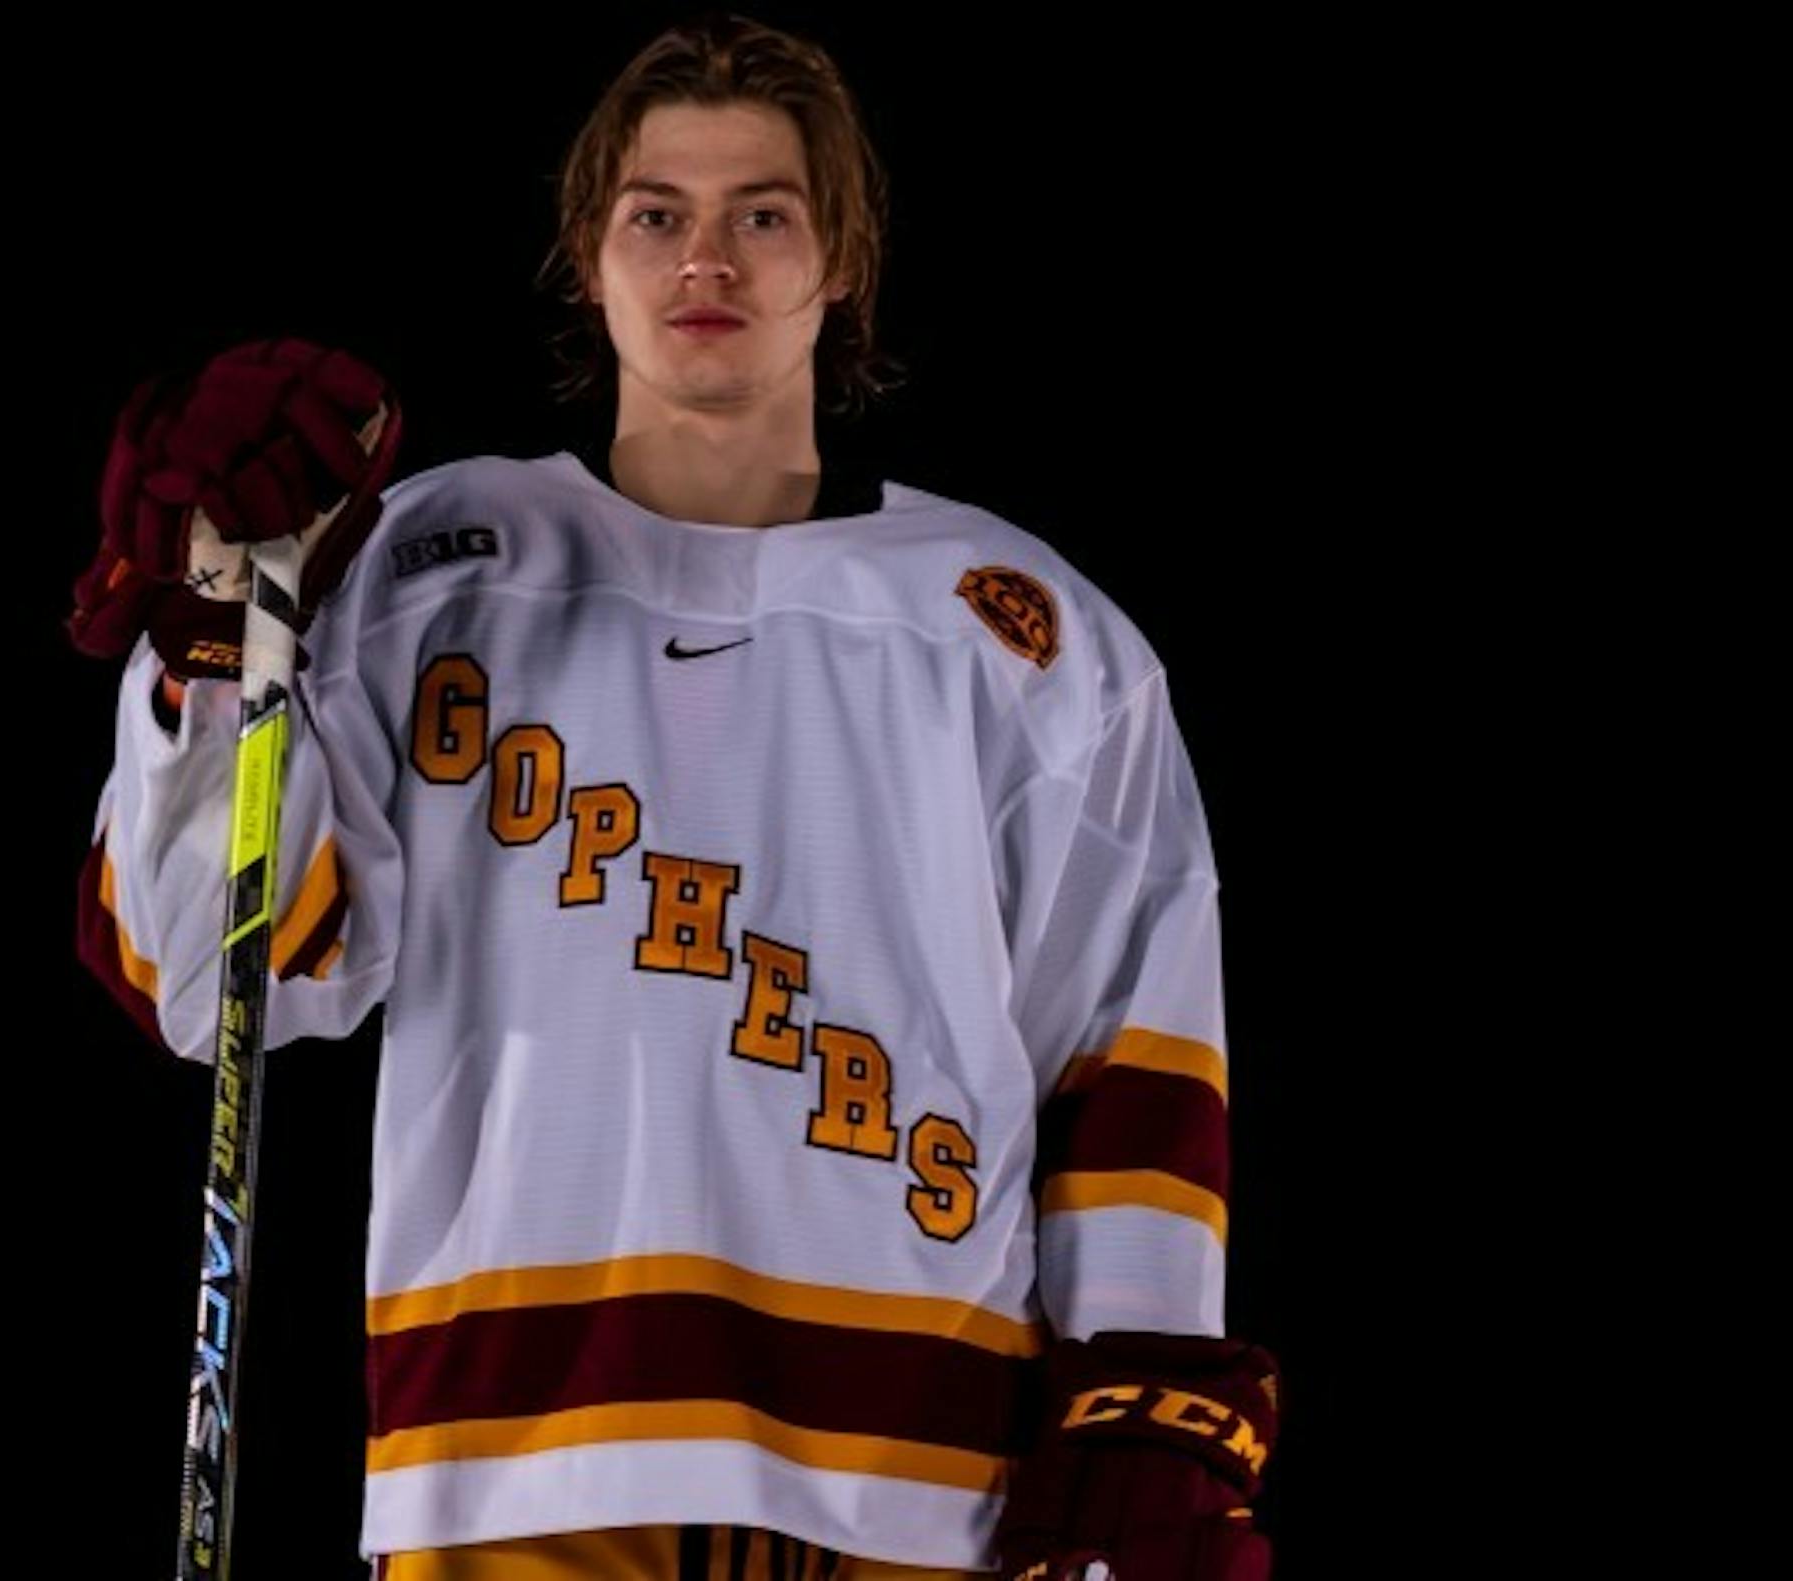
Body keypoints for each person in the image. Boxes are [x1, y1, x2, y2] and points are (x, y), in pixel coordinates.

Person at [68, 13, 1277, 1579]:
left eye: (762, 214)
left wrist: (1143, 1394)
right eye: (658, 215)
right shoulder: (425, 571)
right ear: (590, 253)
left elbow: (1130, 1048)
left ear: (839, 258)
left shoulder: (1024, 632)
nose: (708, 258)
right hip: (512, 1470)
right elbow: (203, 976)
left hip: (920, 1480)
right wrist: (217, 643)